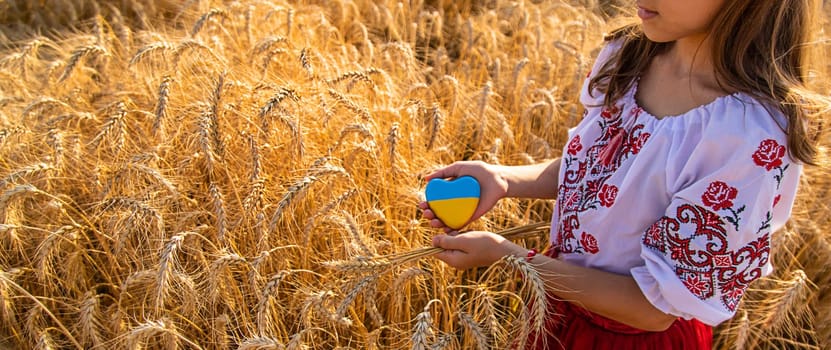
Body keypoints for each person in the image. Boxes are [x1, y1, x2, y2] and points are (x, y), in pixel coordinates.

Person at [418, 0, 829, 348]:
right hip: (554, 303)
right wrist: (505, 180)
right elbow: (603, 170)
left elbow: (651, 310)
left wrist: (508, 256)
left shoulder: (746, 137)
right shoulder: (631, 55)